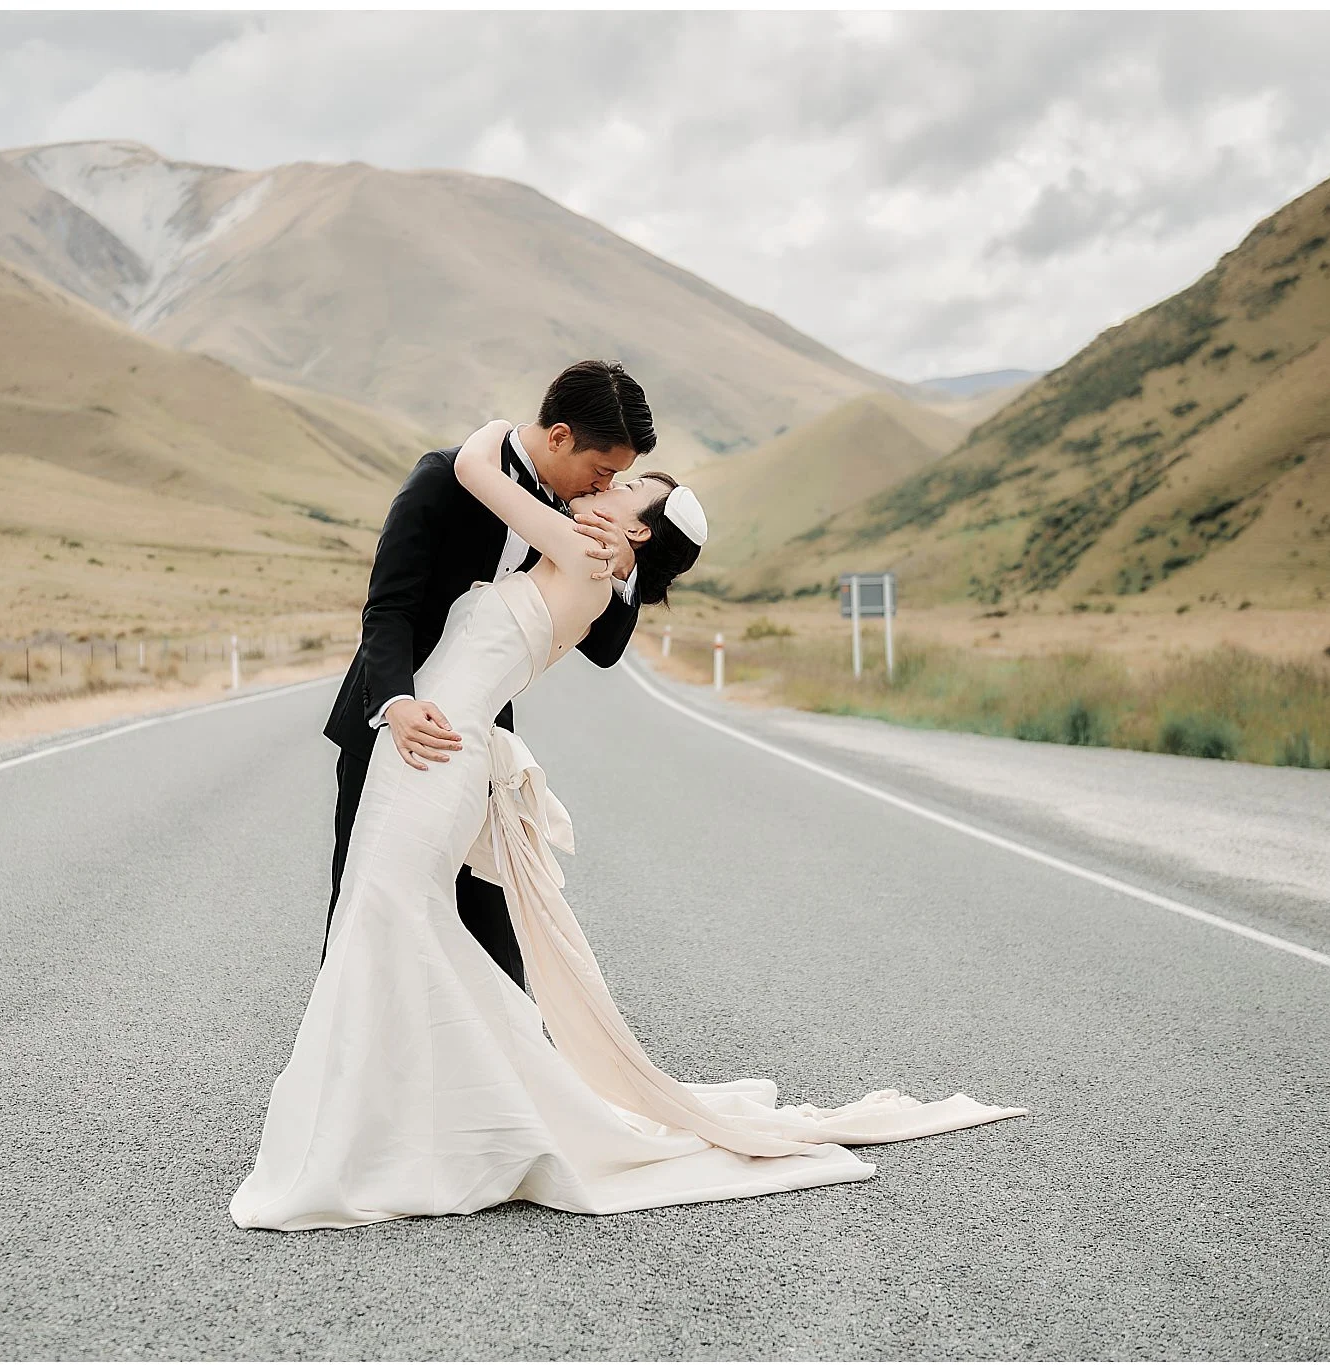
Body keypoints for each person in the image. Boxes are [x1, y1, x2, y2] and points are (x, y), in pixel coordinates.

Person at [231, 418, 1030, 1231]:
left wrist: (498, 436)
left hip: (440, 750)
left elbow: (478, 468)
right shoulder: (597, 560)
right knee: (386, 914)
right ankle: (402, 1108)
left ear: (637, 526)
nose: (605, 485)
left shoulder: (583, 551)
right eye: (608, 472)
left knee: (389, 913)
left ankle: (433, 1122)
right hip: (424, 739)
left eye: (626, 485)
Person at [321, 360, 654, 990]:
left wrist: (627, 563)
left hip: (483, 739)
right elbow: (389, 607)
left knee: (491, 921)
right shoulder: (444, 478)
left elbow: (605, 646)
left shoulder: (582, 518)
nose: (606, 485)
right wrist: (395, 702)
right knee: (367, 903)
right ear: (559, 437)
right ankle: (353, 1071)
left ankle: (501, 1071)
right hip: (395, 725)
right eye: (604, 470)